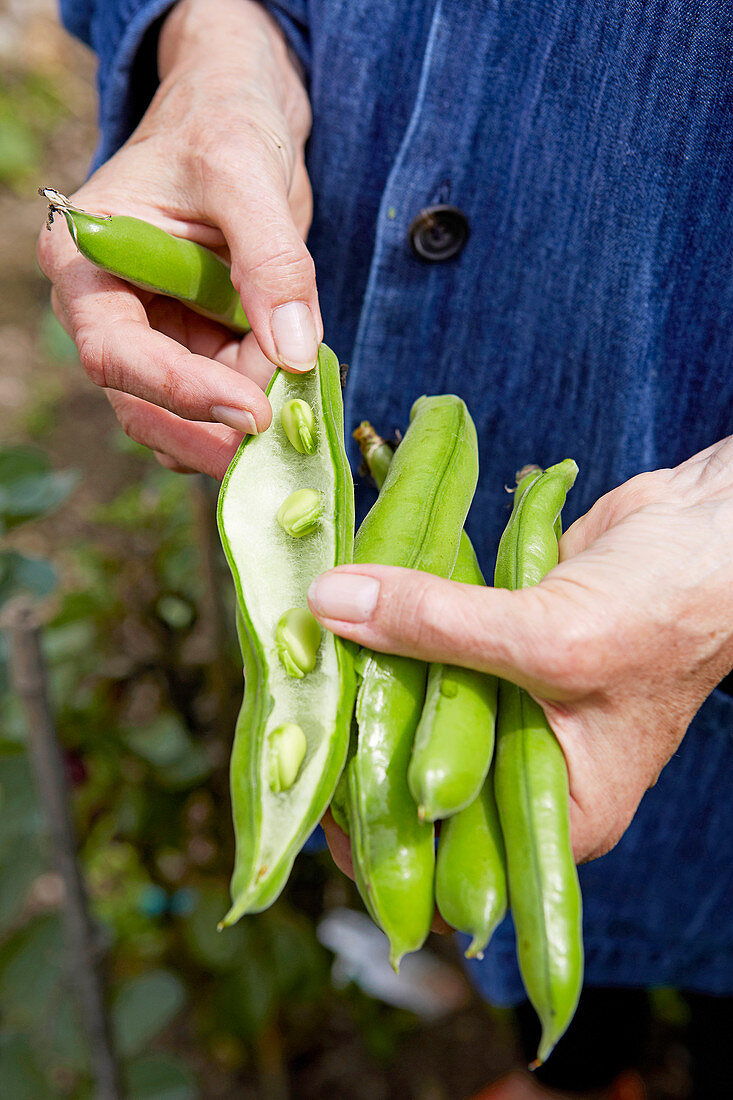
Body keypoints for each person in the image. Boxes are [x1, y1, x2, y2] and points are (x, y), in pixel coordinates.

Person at [38, 1, 733, 1095]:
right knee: (484, 861)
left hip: (677, 419)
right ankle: (572, 1067)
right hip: (311, 270)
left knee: (676, 881)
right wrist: (216, 44)